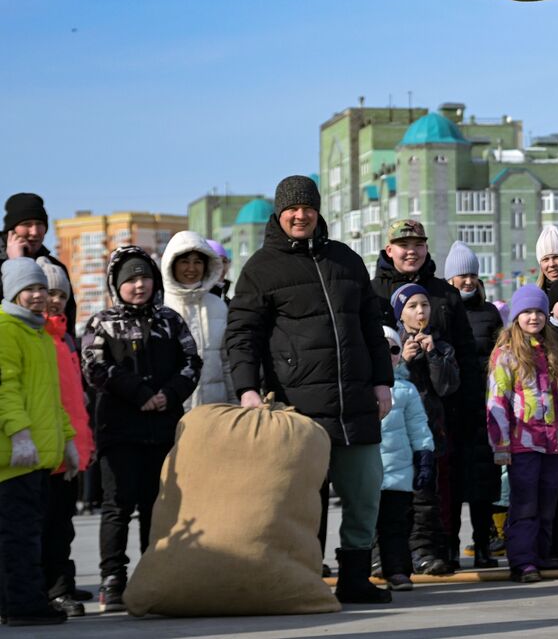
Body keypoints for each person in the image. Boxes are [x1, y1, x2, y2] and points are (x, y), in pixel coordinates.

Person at [224, 174, 394, 605]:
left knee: (364, 492)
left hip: (355, 402)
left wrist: (382, 382)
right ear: (279, 214)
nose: (300, 216)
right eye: (292, 209)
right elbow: (242, 334)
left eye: (308, 208)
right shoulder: (261, 269)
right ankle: (305, 578)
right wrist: (246, 389)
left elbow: (371, 327)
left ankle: (355, 577)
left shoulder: (346, 260)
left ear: (319, 211)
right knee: (303, 503)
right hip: (297, 406)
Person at [80, 247, 202, 614]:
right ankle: (112, 579)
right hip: (119, 431)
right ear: (118, 284)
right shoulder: (101, 322)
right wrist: (140, 394)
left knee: (158, 506)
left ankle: (154, 574)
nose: (139, 285)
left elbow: (192, 361)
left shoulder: (170, 320)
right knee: (117, 507)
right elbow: (93, 366)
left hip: (164, 429)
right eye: (131, 279)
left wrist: (168, 394)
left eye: (145, 277)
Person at [0, 258, 79, 628]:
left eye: (42, 290)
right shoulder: (6, 330)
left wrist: (68, 442)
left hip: (40, 457)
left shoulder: (41, 335)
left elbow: (54, 398)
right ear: (13, 293)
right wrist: (19, 433)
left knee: (31, 531)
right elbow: (5, 389)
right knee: (20, 536)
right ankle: (24, 605)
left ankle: (16, 600)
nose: (37, 296)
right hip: (13, 456)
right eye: (28, 290)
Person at [486, 285, 558, 582]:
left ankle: (541, 554)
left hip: (551, 442)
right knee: (525, 504)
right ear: (516, 316)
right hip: (521, 443)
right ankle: (522, 561)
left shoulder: (551, 352)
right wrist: (500, 444)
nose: (534, 317)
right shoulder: (506, 355)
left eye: (539, 311)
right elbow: (497, 401)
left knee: (548, 503)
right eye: (527, 312)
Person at [387, 277, 461, 575]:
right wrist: (402, 359)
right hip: (395, 438)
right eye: (413, 306)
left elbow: (446, 387)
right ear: (400, 314)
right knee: (396, 498)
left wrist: (433, 356)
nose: (420, 312)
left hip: (429, 434)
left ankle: (424, 551)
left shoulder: (441, 346)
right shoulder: (390, 344)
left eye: (425, 305)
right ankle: (395, 554)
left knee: (426, 497)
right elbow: (386, 383)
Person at [443, 240, 504, 568]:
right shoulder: (443, 310)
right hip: (453, 407)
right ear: (450, 278)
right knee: (452, 482)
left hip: (484, 406)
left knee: (484, 483)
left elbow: (501, 355)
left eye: (472, 275)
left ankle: (483, 545)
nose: (468, 281)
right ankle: (450, 546)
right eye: (462, 275)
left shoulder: (489, 312)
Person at [39, 262, 93, 617]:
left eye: (61, 294)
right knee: (43, 526)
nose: (55, 300)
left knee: (62, 525)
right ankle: (50, 590)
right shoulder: (36, 336)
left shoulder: (66, 338)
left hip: (69, 447)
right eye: (49, 293)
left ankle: (61, 586)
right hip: (44, 448)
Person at [376, 327, 436, 591]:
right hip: (368, 471)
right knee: (365, 523)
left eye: (394, 349)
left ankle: (398, 570)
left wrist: (424, 457)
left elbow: (419, 427)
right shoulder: (358, 386)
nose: (389, 355)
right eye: (382, 348)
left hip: (399, 472)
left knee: (396, 523)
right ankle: (369, 563)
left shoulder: (406, 389)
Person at [159, 231, 232, 407]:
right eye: (184, 261)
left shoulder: (219, 306)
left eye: (197, 262)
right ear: (171, 264)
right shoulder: (160, 307)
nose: (191, 268)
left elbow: (228, 363)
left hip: (216, 408)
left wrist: (235, 403)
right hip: (175, 411)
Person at [2, 193, 77, 336]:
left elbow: (68, 322)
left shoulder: (55, 267)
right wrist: (16, 263)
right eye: (26, 224)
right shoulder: (2, 264)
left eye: (40, 224)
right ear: (11, 229)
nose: (35, 232)